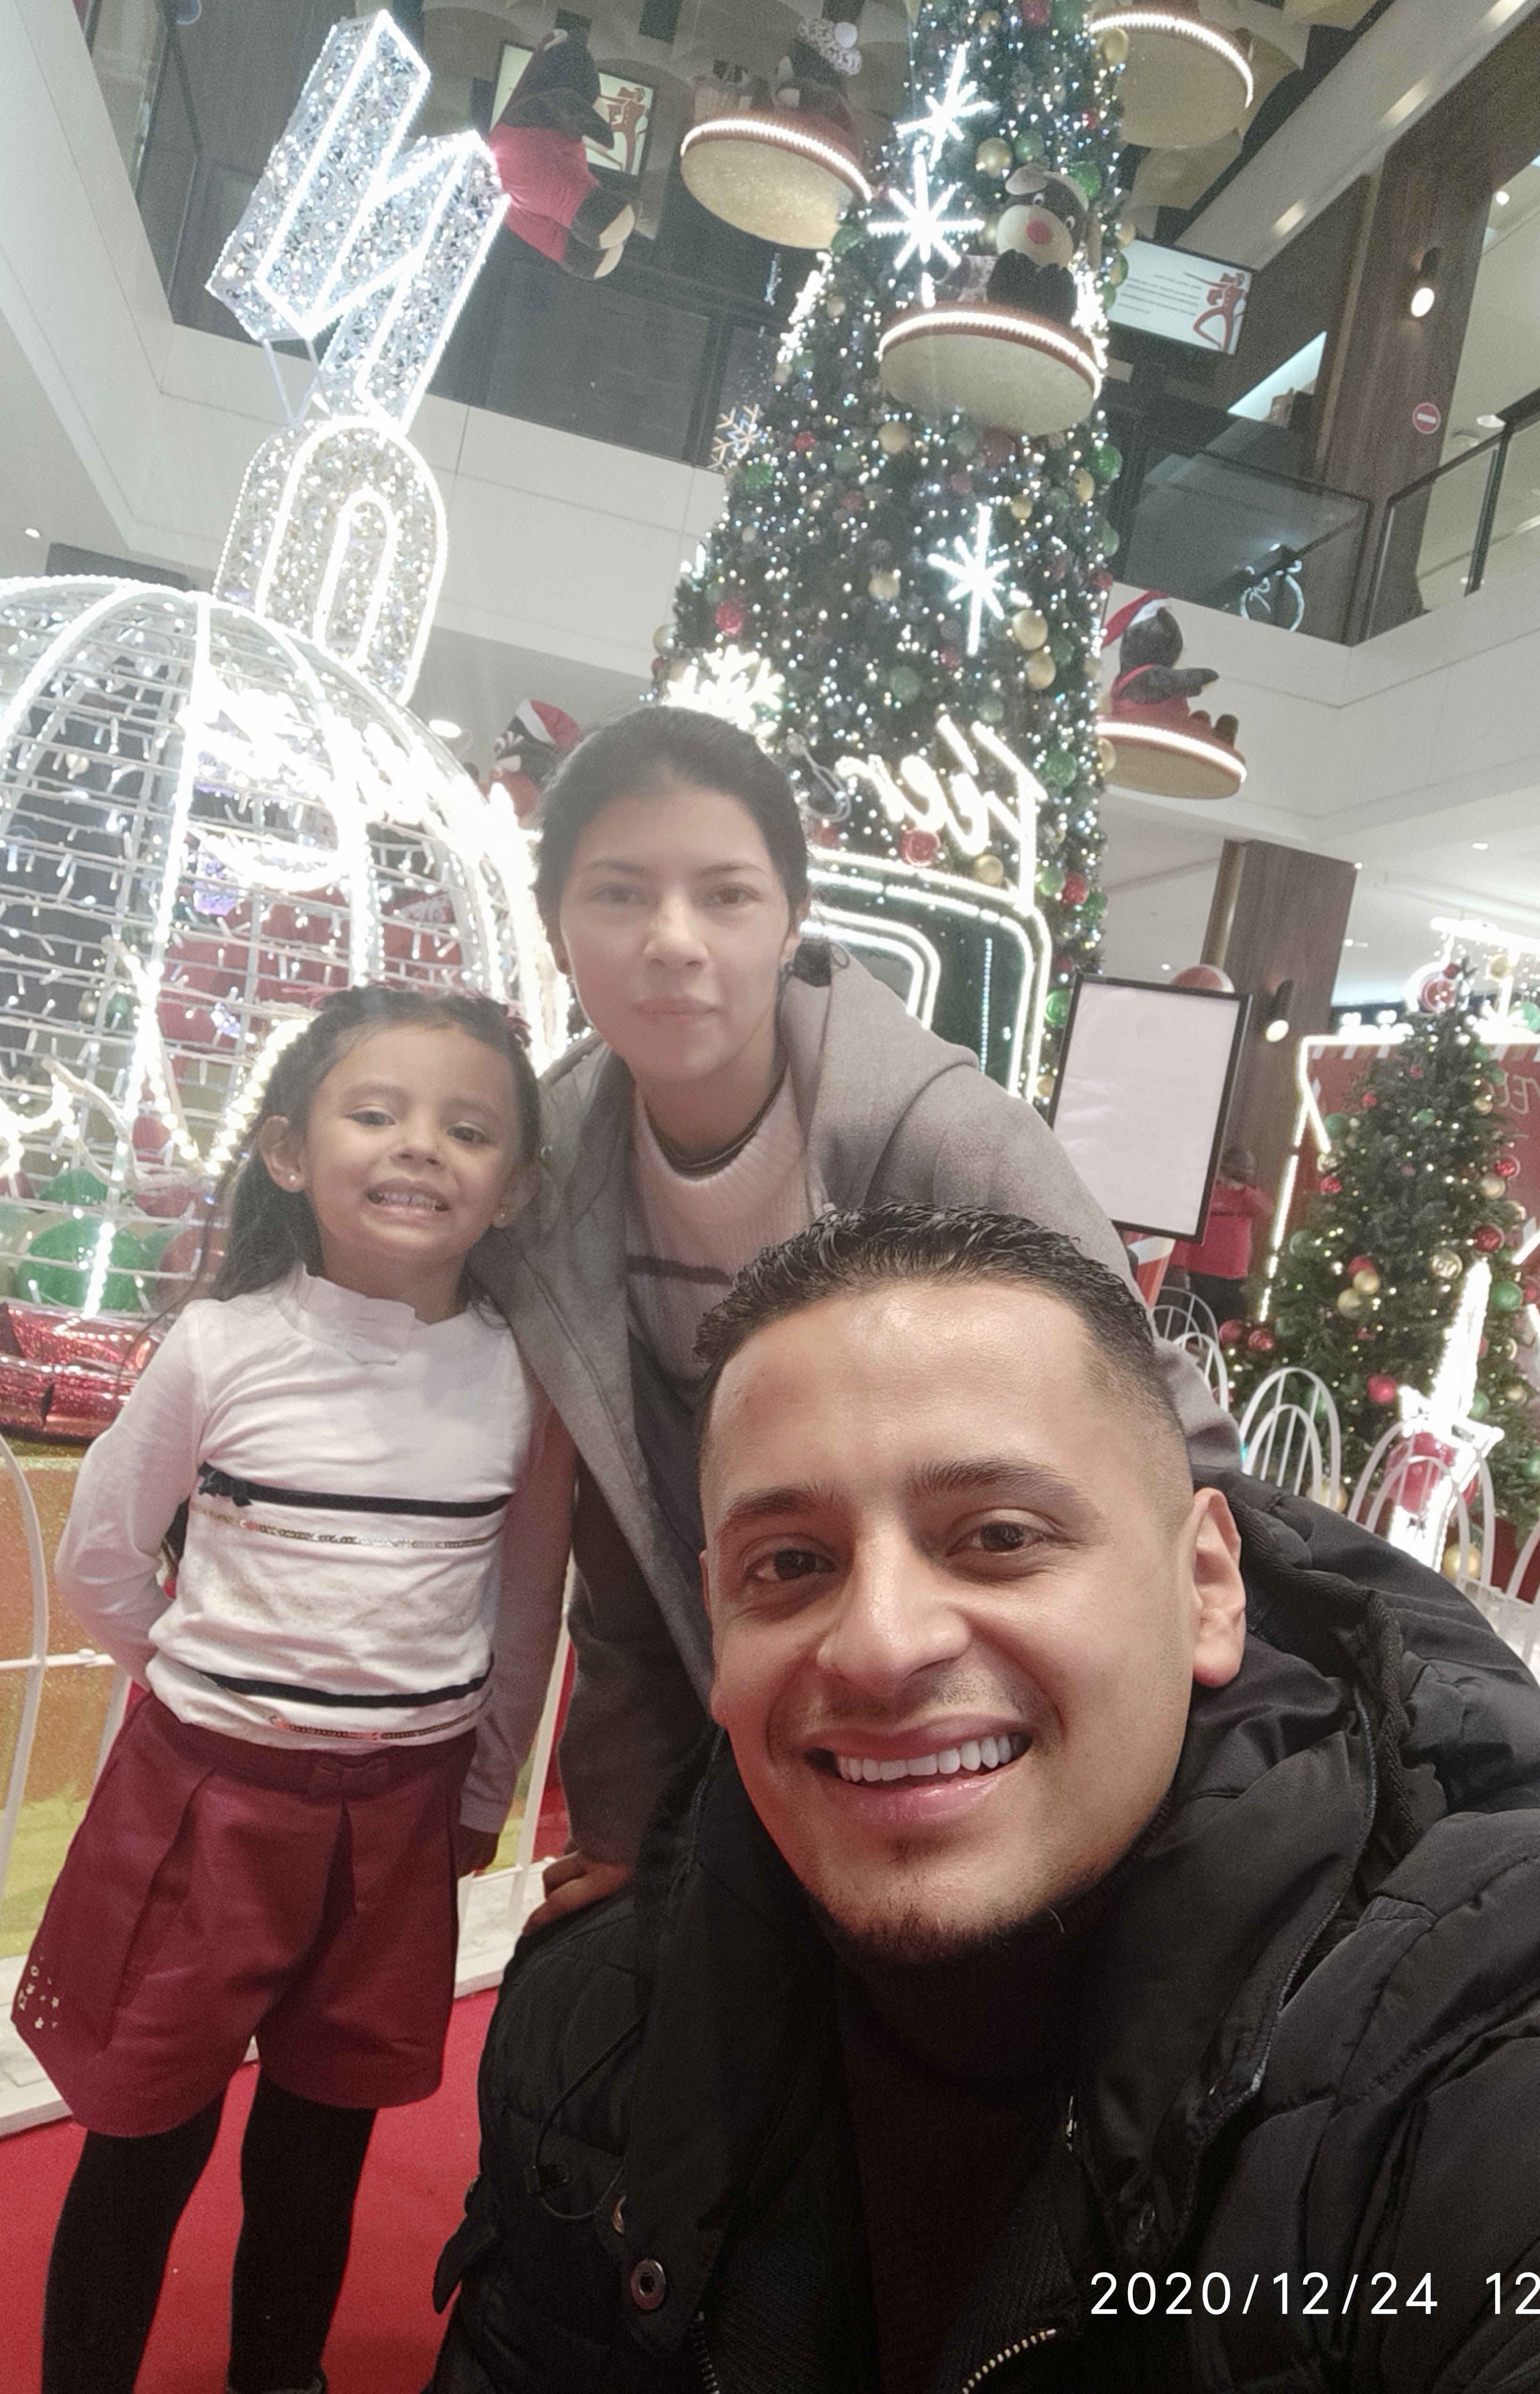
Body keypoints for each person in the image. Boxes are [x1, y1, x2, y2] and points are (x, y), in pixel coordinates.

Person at [430, 1207, 1540, 2394]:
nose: (879, 1645)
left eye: (999, 1535)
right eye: (793, 1561)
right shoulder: (602, 2032)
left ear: (1205, 1586)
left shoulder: (1485, 2036)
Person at [484, 707, 1240, 1928]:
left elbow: (1161, 1435)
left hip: (993, 1714)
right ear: (555, 923)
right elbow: (621, 1539)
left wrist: (1177, 1782)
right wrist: (620, 1817)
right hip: (773, 1714)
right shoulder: (553, 1174)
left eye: (726, 895)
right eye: (618, 894)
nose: (672, 942)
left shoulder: (946, 1141)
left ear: (791, 918)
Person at [16, 986, 572, 2394]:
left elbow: (521, 1607)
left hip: (401, 1818)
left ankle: (280, 2377)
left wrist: (485, 1786)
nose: (419, 1146)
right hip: (207, 1804)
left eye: (468, 1129)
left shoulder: (518, 1383)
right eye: (375, 1112)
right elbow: (100, 1558)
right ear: (285, 1151)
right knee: (144, 2137)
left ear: (516, 1185)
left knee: (322, 2141)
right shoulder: (220, 1346)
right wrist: (203, 1700)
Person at [1170, 1139, 1271, 1330]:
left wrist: (1242, 1189)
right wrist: (1180, 1266)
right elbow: (1186, 1230)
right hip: (1203, 1274)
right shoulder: (1204, 1193)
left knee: (1233, 1332)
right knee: (1194, 1328)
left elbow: (1266, 1211)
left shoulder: (1248, 1197)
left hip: (1237, 1275)